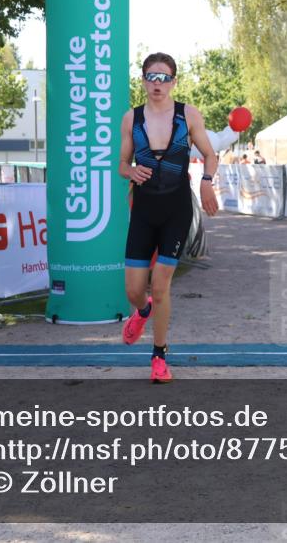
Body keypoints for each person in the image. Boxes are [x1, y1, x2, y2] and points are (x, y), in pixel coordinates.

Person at [119, 52, 219, 384]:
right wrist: (131, 170)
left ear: (173, 81)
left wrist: (207, 182)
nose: (157, 83)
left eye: (163, 77)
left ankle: (159, 356)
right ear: (144, 80)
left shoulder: (188, 114)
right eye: (151, 76)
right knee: (135, 290)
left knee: (160, 286)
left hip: (177, 207)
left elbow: (209, 154)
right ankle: (142, 311)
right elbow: (122, 165)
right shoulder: (131, 119)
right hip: (144, 209)